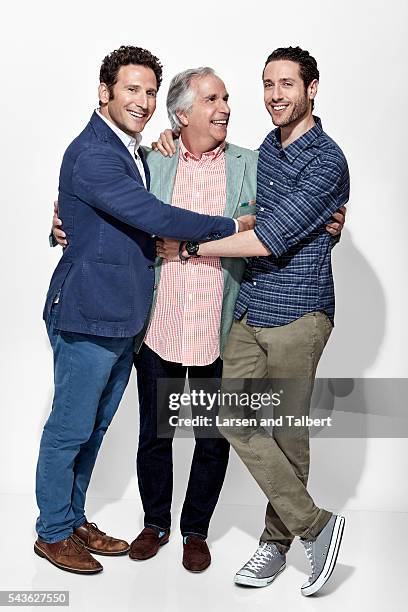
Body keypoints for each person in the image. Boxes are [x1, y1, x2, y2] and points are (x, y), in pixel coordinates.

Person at [36, 45, 254, 575]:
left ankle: (73, 518)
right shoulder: (100, 152)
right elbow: (147, 212)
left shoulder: (133, 149)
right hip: (95, 314)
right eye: (132, 89)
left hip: (131, 319)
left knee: (94, 429)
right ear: (104, 92)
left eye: (150, 91)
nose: (142, 100)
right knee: (71, 429)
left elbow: (97, 218)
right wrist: (225, 227)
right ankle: (52, 531)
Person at [156, 46, 349, 596]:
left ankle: (275, 544)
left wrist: (190, 245)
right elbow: (228, 179)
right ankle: (316, 525)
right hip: (249, 309)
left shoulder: (328, 160)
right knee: (234, 421)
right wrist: (167, 140)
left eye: (287, 84)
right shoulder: (265, 148)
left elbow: (266, 238)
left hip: (299, 313)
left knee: (287, 434)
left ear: (312, 88)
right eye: (268, 84)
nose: (275, 95)